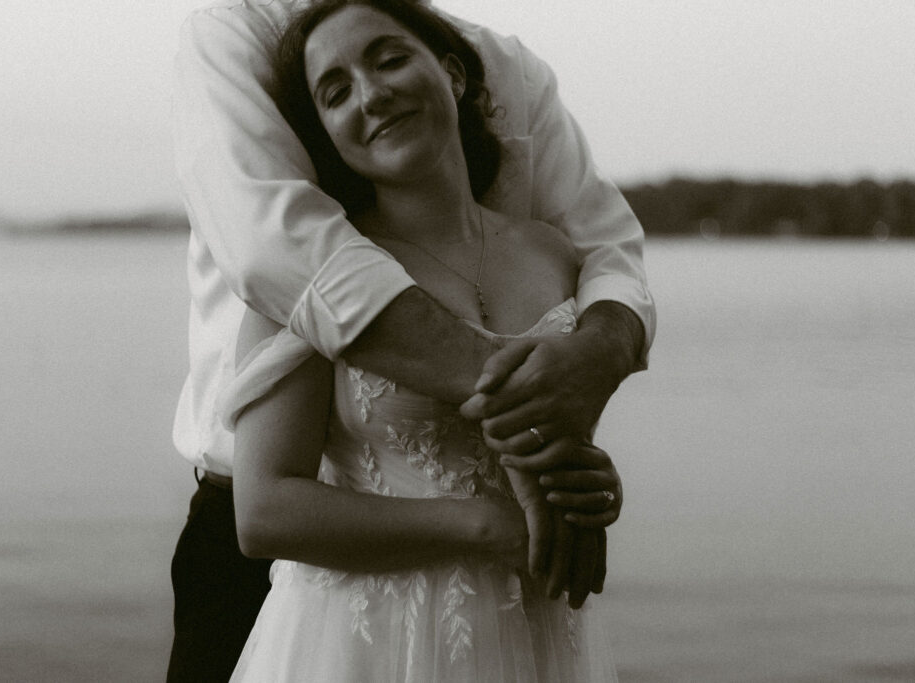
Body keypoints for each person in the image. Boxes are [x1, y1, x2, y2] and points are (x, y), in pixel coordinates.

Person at [169, 0, 655, 679]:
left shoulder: (512, 82)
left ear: (456, 75)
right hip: (328, 592)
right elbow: (272, 250)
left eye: (392, 59)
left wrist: (579, 468)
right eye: (336, 92)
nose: (372, 93)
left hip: (526, 612)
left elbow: (611, 254)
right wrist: (518, 426)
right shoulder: (233, 32)